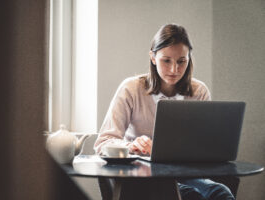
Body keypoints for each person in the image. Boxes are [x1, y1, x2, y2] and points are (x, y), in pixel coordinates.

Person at [94, 24, 235, 200]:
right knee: (186, 194)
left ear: (189, 59)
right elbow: (103, 142)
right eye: (166, 60)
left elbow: (204, 147)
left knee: (220, 192)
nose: (174, 70)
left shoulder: (199, 91)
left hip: (185, 174)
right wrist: (131, 146)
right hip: (139, 175)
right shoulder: (130, 89)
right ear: (153, 57)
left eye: (181, 61)